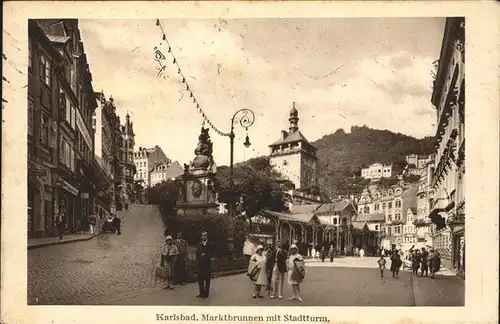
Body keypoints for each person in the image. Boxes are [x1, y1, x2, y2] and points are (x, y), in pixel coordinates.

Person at [196, 231, 213, 298]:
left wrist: (204, 256)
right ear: (201, 237)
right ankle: (201, 293)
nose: (204, 237)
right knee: (200, 279)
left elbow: (210, 254)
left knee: (207, 279)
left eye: (205, 235)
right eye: (202, 235)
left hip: (206, 264)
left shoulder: (210, 244)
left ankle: (206, 294)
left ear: (207, 236)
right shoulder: (199, 244)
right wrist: (199, 258)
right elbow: (197, 254)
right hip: (200, 264)